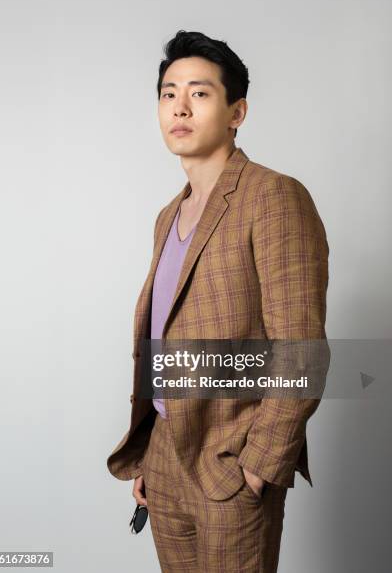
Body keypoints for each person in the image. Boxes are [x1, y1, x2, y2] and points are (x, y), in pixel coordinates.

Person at [107, 30, 329, 572]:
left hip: (230, 464)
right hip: (164, 459)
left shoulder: (273, 195)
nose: (179, 107)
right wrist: (150, 453)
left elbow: (300, 350)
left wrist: (258, 465)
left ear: (237, 111)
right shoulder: (168, 215)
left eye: (199, 93)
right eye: (168, 93)